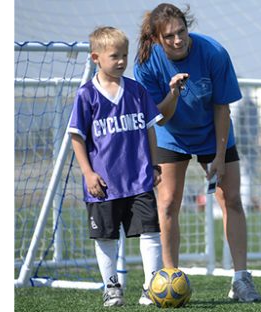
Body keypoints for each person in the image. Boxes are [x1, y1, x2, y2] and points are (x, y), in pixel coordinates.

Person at [133, 3, 261, 303]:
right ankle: (166, 278)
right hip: (170, 135)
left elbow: (222, 107)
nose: (178, 40)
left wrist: (218, 156)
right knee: (167, 204)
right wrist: (174, 92)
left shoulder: (213, 53)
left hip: (213, 133)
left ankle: (241, 279)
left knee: (231, 198)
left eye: (182, 32)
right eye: (169, 37)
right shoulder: (145, 63)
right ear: (155, 38)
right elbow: (160, 118)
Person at [68, 26, 164, 307]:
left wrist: (155, 164)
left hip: (139, 179)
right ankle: (111, 287)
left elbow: (150, 130)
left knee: (150, 232)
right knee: (106, 236)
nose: (122, 61)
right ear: (96, 57)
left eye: (125, 55)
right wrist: (88, 173)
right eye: (115, 56)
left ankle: (152, 286)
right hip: (105, 183)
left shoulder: (137, 90)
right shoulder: (87, 95)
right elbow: (77, 136)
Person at [231, 85, 259, 213]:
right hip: (243, 143)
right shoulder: (247, 102)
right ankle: (243, 204)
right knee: (245, 174)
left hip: (236, 142)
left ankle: (244, 204)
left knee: (244, 174)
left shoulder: (238, 101)